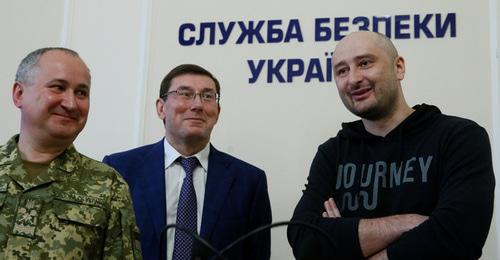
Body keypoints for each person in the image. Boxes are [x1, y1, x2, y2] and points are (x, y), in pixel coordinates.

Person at [287, 31, 495, 260]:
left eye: (365, 63)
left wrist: (345, 238)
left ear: (399, 67)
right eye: (342, 70)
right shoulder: (332, 154)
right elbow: (304, 240)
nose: (353, 79)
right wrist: (406, 224)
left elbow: (458, 239)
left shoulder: (459, 138)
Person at [103, 64, 272, 260]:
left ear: (217, 111)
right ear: (161, 108)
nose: (197, 105)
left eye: (208, 96)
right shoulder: (120, 169)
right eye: (185, 94)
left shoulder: (249, 181)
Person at [0, 47, 142, 259]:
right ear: (19, 94)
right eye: (58, 88)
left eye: (81, 93)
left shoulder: (109, 186)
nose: (71, 103)